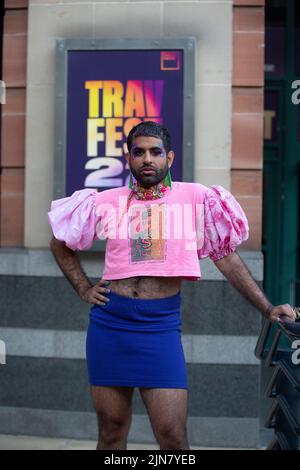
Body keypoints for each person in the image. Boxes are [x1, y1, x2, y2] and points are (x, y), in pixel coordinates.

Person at [48, 121, 297, 451]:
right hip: (110, 325)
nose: (147, 159)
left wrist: (267, 308)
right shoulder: (106, 200)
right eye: (139, 153)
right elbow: (59, 243)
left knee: (174, 438)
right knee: (111, 433)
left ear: (170, 157)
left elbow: (227, 258)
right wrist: (83, 288)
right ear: (129, 158)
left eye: (155, 152)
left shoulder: (196, 198)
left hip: (159, 330)